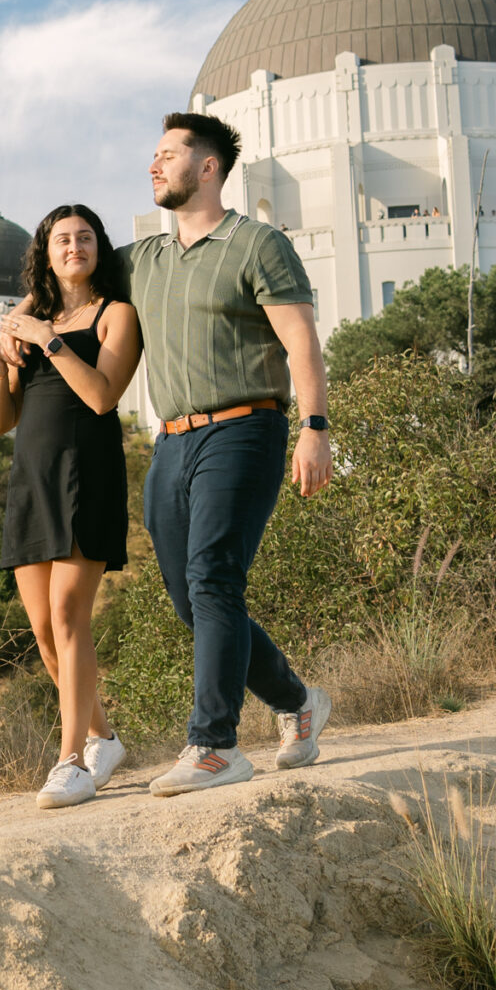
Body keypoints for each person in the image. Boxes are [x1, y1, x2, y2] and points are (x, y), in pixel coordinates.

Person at [119, 110, 334, 795]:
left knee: (214, 579)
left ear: (207, 167)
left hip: (245, 428)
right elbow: (73, 291)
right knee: (192, 600)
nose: (152, 166)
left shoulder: (256, 245)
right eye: (152, 156)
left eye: (167, 155)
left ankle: (213, 745)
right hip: (170, 442)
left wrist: (315, 426)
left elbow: (300, 340)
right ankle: (297, 702)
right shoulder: (142, 260)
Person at [0, 204, 142, 812]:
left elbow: (101, 397)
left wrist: (50, 342)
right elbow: (0, 422)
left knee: (69, 616)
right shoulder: (25, 321)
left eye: (85, 237)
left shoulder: (116, 314)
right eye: (63, 239)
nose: (75, 247)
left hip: (86, 475)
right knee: (43, 631)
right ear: (45, 252)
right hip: (31, 480)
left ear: (100, 248)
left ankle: (70, 763)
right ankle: (103, 739)